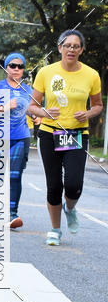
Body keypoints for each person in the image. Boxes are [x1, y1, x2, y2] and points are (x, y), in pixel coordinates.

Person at [29, 29, 102, 246]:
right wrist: (45, 113)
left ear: (81, 49)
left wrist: (87, 113)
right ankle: (54, 229)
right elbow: (30, 106)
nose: (71, 49)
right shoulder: (46, 72)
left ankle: (70, 208)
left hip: (76, 134)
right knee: (54, 186)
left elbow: (98, 105)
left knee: (73, 185)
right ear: (59, 47)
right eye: (67, 45)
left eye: (75, 46)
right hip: (50, 133)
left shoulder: (91, 75)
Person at [0, 52, 34, 230]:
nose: (16, 69)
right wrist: (6, 106)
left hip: (20, 136)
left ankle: (12, 213)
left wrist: (36, 117)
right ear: (6, 67)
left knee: (15, 176)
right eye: (12, 66)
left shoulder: (29, 90)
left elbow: (33, 109)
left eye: (20, 66)